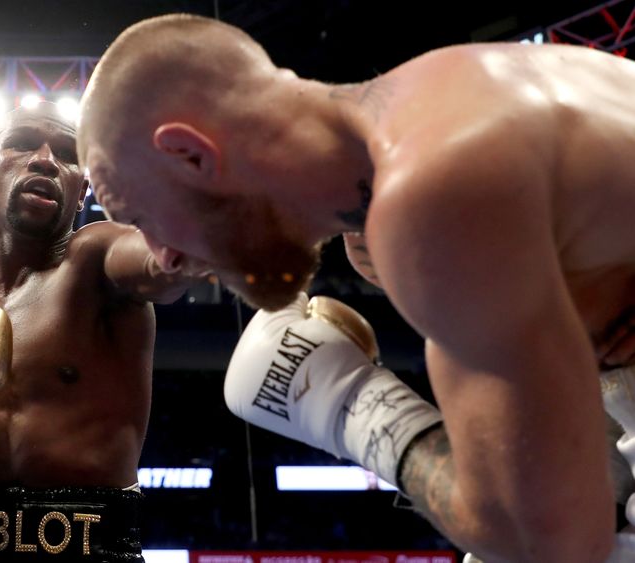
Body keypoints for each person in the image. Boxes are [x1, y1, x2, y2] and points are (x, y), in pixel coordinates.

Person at [76, 13, 635, 563]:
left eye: (141, 216)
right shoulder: (439, 100)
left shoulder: (431, 191)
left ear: (190, 154)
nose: (161, 256)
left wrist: (353, 407)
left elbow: (550, 544)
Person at [0, 101, 193, 562]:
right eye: (23, 143)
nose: (46, 159)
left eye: (68, 153)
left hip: (92, 550)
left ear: (84, 188)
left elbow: (165, 266)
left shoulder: (97, 263)